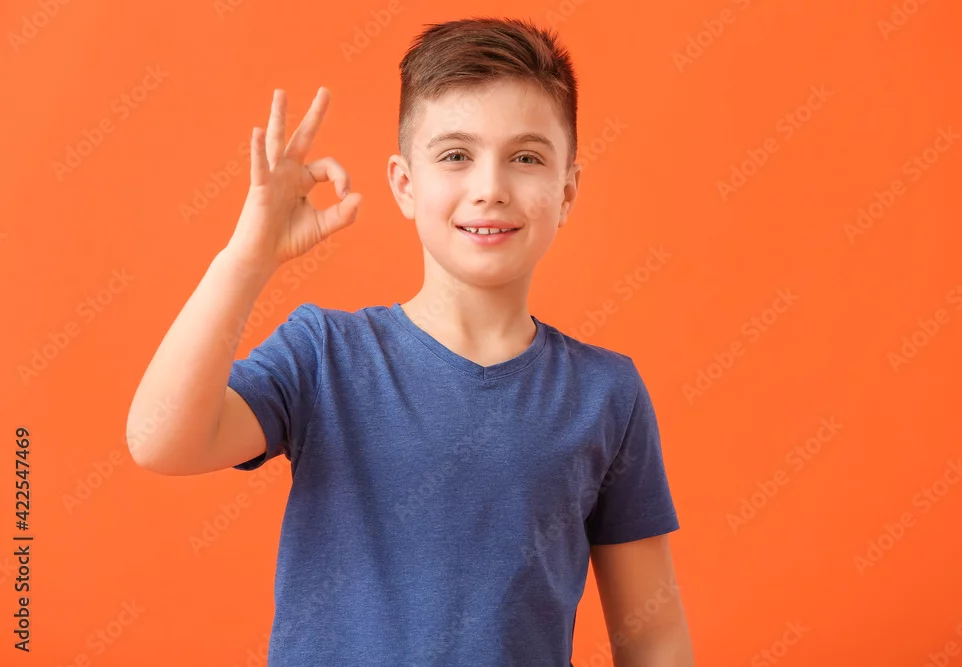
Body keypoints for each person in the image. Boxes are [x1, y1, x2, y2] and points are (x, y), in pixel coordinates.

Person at [126, 16, 694, 667]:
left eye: (527, 158)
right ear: (404, 184)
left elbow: (652, 636)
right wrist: (245, 261)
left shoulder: (607, 394)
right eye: (455, 156)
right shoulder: (324, 354)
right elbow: (160, 440)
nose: (490, 188)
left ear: (566, 191)